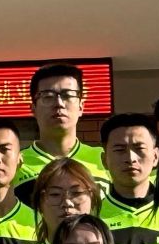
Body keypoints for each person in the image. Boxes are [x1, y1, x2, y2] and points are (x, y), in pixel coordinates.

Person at [4, 158, 141, 244]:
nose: (67, 203)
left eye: (76, 193)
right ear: (39, 204)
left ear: (92, 199)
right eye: (55, 194)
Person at [16, 62, 107, 202]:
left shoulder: (105, 159)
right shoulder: (15, 164)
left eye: (67, 95)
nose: (59, 103)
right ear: (33, 108)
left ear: (81, 106)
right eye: (48, 96)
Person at [95, 114, 159, 244]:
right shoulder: (92, 216)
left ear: (155, 156)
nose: (130, 158)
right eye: (120, 150)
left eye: (139, 149)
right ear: (104, 159)